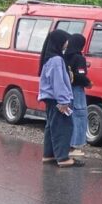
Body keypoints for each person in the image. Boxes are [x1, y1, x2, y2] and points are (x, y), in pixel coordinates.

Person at [38, 30, 84, 168]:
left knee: (52, 127)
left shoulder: (49, 58)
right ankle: (63, 158)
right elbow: (58, 83)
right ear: (60, 42)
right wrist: (63, 101)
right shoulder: (57, 60)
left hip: (50, 99)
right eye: (65, 40)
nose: (67, 43)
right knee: (62, 128)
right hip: (58, 99)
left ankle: (49, 155)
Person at [64, 33, 92, 158]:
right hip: (76, 90)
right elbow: (80, 76)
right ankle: (75, 146)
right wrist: (88, 83)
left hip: (64, 90)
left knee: (67, 116)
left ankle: (66, 144)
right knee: (79, 115)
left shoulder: (64, 56)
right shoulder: (79, 58)